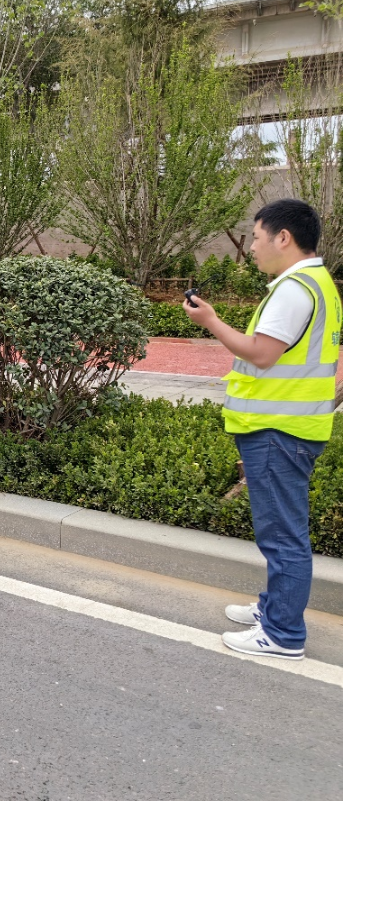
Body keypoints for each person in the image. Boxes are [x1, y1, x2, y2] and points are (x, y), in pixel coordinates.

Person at [183, 198, 342, 660]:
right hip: (289, 428)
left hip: (278, 430)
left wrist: (209, 320)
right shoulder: (318, 283)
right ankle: (273, 609)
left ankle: (282, 633)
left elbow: (262, 354)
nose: (251, 246)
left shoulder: (295, 288)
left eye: (255, 237)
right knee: (281, 530)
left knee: (282, 535)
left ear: (283, 237)